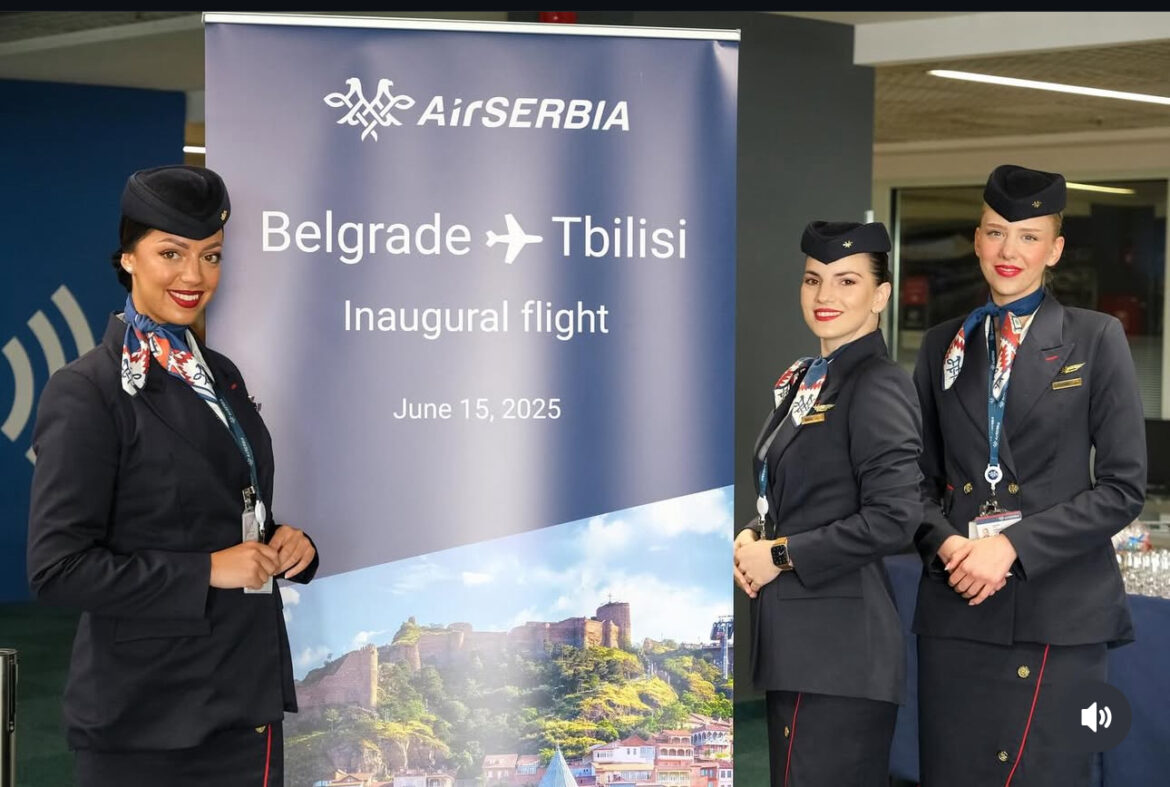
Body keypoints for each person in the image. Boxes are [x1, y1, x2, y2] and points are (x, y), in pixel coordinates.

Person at [25, 164, 319, 787]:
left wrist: (283, 543)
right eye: (171, 253)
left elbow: (220, 506)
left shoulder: (221, 374)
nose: (194, 276)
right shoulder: (87, 391)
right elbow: (58, 569)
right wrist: (209, 568)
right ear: (128, 258)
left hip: (244, 705)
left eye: (210, 256)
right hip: (148, 722)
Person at [911, 164, 1145, 786]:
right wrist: (949, 545)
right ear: (976, 240)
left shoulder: (1096, 338)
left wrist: (1011, 546)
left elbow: (1122, 488)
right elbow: (915, 482)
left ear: (1055, 250)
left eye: (1029, 236)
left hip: (1058, 610)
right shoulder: (942, 346)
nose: (1008, 250)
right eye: (995, 232)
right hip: (959, 602)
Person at [734, 220, 923, 786]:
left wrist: (780, 555)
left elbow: (895, 517)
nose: (825, 295)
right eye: (813, 279)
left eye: (846, 281)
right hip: (804, 647)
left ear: (880, 295)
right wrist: (754, 533)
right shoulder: (809, 380)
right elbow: (804, 495)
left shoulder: (876, 383)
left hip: (840, 655)